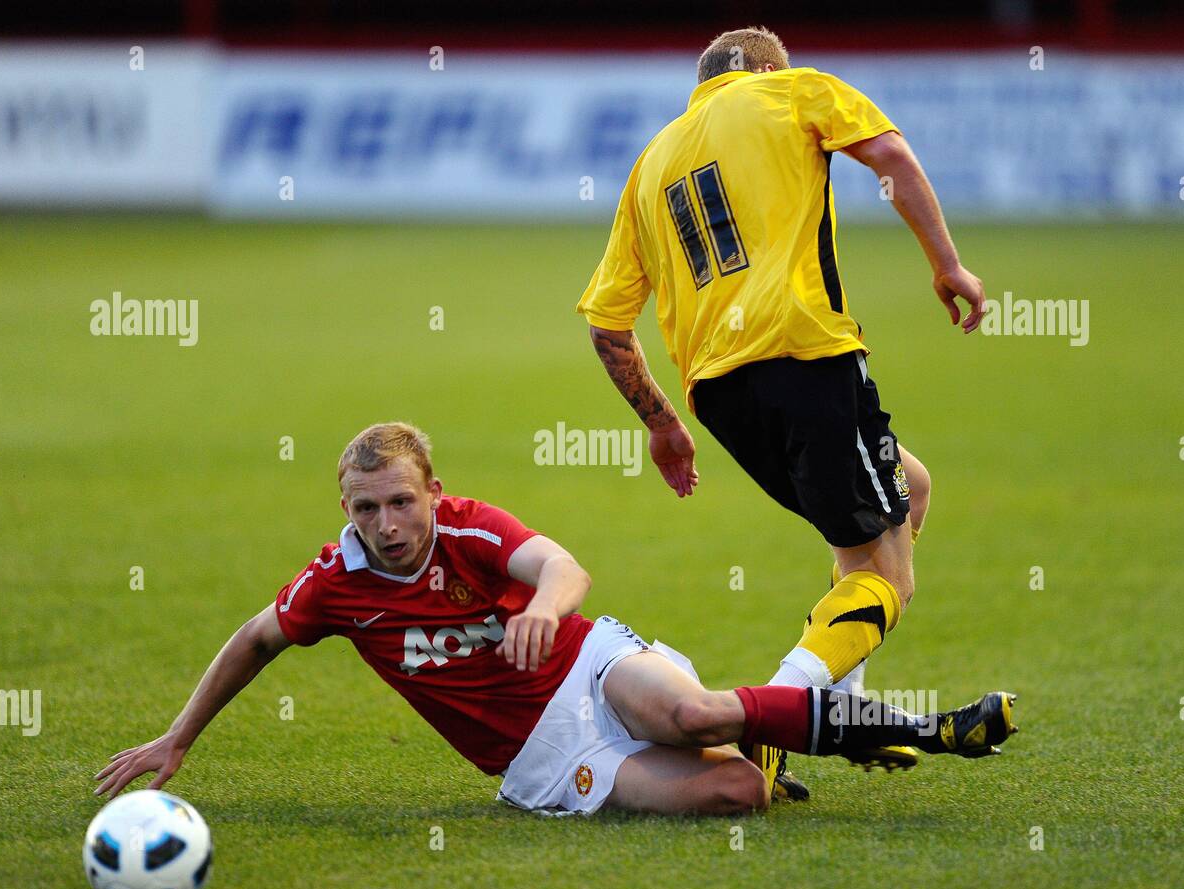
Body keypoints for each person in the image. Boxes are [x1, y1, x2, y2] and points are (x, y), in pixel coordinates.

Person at [94, 422, 1017, 817]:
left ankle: (924, 729)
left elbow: (562, 566)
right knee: (741, 792)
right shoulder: (334, 582)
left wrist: (542, 606)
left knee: (692, 714)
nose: (385, 523)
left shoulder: (467, 525)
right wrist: (177, 739)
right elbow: (256, 637)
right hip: (540, 757)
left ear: (431, 493)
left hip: (587, 662)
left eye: (399, 502)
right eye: (366, 507)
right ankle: (778, 740)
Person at [577, 26, 987, 784]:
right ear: (768, 66)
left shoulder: (651, 162)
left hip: (720, 398)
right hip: (806, 358)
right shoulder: (794, 90)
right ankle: (768, 719)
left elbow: (607, 324)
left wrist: (663, 426)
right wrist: (949, 264)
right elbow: (891, 157)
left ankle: (845, 705)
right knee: (889, 577)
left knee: (907, 492)